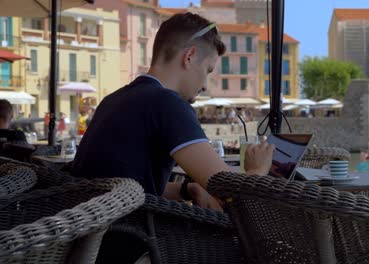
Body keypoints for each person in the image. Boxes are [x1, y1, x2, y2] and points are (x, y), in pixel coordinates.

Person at [72, 13, 275, 211]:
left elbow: (126, 186)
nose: (205, 85)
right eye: (208, 70)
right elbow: (231, 193)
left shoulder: (114, 100)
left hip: (93, 235)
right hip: (135, 240)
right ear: (189, 56)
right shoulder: (167, 103)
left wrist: (188, 189)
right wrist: (257, 169)